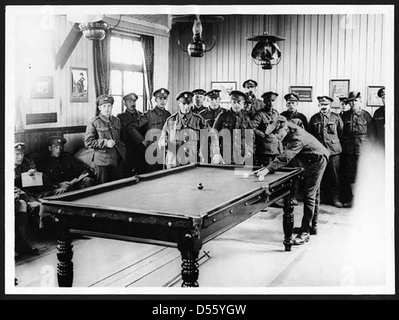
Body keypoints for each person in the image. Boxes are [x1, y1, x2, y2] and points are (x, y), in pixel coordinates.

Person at [257, 116, 330, 245]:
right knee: (315, 194)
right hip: (311, 158)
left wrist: (267, 169)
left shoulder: (297, 137)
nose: (276, 137)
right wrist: (268, 167)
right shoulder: (290, 126)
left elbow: (286, 157)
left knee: (309, 195)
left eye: (277, 133)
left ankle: (305, 232)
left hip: (318, 160)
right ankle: (313, 226)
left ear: (284, 128)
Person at [159, 91, 221, 168]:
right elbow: (162, 139)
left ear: (191, 103)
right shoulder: (171, 120)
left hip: (193, 162)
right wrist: (163, 142)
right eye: (183, 104)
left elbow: (212, 136)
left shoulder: (198, 120)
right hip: (174, 163)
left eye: (188, 104)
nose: (186, 107)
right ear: (179, 104)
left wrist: (216, 153)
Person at [14, 142, 52, 256]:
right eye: (17, 155)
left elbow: (41, 183)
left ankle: (22, 243)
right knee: (26, 204)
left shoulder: (27, 164)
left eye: (22, 154)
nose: (20, 157)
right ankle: (22, 243)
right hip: (21, 197)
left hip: (31, 194)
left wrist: (34, 175)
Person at [340, 91, 375, 207]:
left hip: (363, 148)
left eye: (355, 100)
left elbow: (372, 134)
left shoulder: (366, 115)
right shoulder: (344, 116)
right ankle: (354, 199)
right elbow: (341, 133)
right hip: (348, 149)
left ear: (360, 101)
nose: (353, 103)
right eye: (351, 101)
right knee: (350, 175)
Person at [308, 96, 344, 207]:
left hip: (334, 151)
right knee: (319, 174)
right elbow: (311, 135)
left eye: (326, 105)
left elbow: (341, 133)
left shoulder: (336, 118)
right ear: (319, 105)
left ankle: (335, 198)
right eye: (321, 104)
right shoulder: (314, 118)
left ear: (330, 105)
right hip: (320, 152)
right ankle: (321, 197)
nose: (324, 107)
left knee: (335, 175)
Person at [85, 94, 126, 184]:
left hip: (117, 160)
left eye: (109, 106)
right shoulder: (94, 122)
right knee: (103, 189)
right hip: (103, 162)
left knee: (118, 187)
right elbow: (88, 142)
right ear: (100, 108)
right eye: (104, 106)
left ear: (112, 107)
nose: (107, 109)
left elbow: (121, 138)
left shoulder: (116, 121)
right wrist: (105, 143)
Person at [212, 90, 253, 165]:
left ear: (243, 103)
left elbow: (250, 136)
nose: (236, 105)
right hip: (225, 155)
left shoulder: (246, 118)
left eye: (239, 102)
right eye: (234, 102)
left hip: (242, 156)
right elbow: (213, 135)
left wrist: (249, 150)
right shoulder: (222, 116)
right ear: (231, 102)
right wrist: (216, 153)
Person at [117, 92, 147, 176]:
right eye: (129, 102)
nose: (132, 104)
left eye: (134, 101)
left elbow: (145, 131)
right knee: (127, 174)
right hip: (127, 150)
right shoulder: (120, 117)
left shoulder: (142, 115)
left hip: (140, 149)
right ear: (125, 103)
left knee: (142, 172)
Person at [142, 88, 172, 172]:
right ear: (155, 100)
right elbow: (132, 127)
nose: (163, 101)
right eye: (160, 98)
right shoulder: (148, 114)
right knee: (152, 175)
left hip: (164, 150)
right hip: (152, 151)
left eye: (165, 99)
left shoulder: (168, 114)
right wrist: (142, 140)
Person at [250, 91, 281, 166]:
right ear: (264, 102)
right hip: (265, 149)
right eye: (268, 101)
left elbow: (279, 127)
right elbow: (251, 127)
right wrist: (261, 134)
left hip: (276, 148)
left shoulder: (276, 113)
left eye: (273, 101)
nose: (270, 103)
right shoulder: (260, 114)